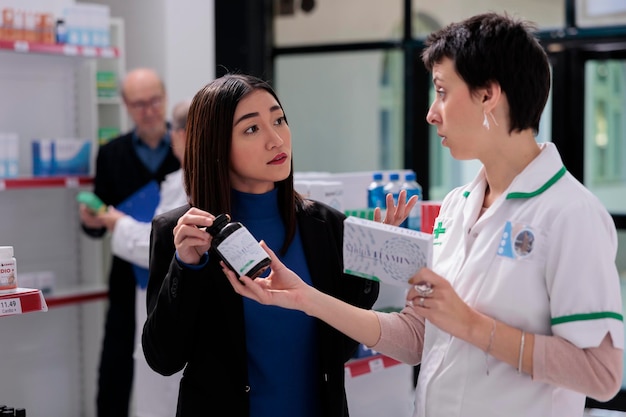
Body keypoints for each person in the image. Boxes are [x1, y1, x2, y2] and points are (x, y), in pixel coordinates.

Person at [221, 13, 624, 417]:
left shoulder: (570, 214)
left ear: (488, 95)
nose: (432, 113)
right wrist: (307, 299)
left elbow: (602, 374)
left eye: (443, 92)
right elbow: (418, 337)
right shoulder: (456, 206)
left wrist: (471, 325)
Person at [141, 73, 418, 416]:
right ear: (216, 146)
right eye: (252, 129)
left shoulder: (326, 226)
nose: (276, 139)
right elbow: (163, 358)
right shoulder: (182, 233)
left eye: (279, 119)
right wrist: (186, 266)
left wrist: (367, 263)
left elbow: (339, 349)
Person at [79, 67, 181, 417]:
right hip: (127, 278)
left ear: (164, 98)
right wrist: (91, 221)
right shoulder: (111, 154)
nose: (149, 110)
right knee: (116, 365)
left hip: (176, 276)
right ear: (126, 106)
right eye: (139, 104)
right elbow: (99, 217)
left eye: (154, 101)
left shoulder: (186, 150)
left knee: (173, 363)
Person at [95, 99, 191, 417]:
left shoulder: (192, 182)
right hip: (145, 295)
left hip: (176, 305)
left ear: (179, 134)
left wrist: (117, 224)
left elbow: (160, 246)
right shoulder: (176, 178)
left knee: (169, 392)